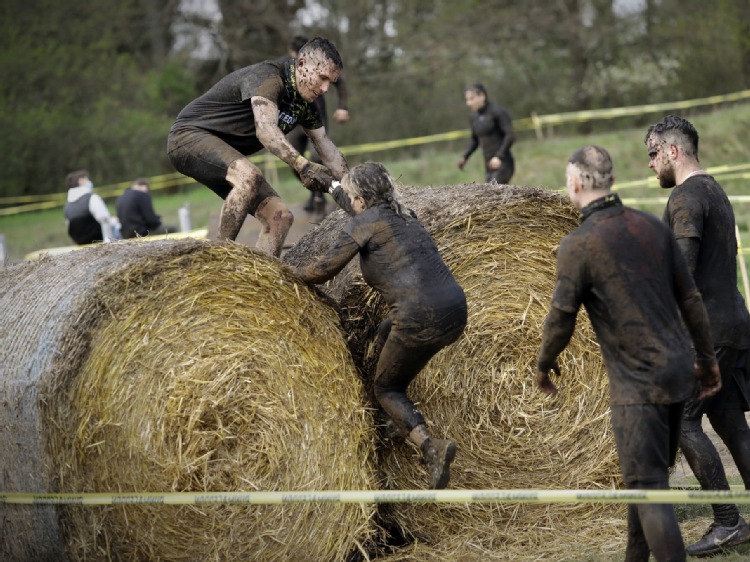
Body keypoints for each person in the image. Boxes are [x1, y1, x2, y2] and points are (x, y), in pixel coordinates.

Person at [536, 145, 721, 562]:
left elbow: (560, 319)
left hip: (639, 386)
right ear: (612, 180)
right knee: (645, 482)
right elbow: (690, 299)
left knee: (650, 488)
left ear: (575, 183)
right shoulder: (651, 226)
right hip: (679, 373)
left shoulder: (579, 244)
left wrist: (543, 365)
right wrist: (706, 361)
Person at [293, 162, 468, 489]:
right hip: (456, 311)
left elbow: (323, 270)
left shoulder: (366, 223)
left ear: (360, 199)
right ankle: (392, 418)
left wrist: (283, 273)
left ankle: (430, 447)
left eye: (351, 196)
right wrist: (332, 186)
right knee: (385, 331)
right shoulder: (405, 215)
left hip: (419, 317)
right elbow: (363, 214)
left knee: (386, 387)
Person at [645, 114, 750, 557]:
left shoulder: (687, 198)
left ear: (672, 151)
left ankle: (728, 522)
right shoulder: (715, 189)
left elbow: (683, 273)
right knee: (729, 422)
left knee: (683, 421)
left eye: (652, 154)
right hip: (734, 323)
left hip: (707, 330)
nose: (649, 165)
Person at [167, 36, 349, 257]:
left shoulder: (304, 105)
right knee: (249, 176)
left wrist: (352, 187)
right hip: (188, 137)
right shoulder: (270, 78)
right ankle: (217, 262)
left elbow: (326, 147)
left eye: (330, 81)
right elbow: (266, 130)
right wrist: (303, 166)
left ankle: (259, 282)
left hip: (224, 152)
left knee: (280, 217)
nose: (326, 88)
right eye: (322, 78)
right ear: (301, 64)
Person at [283, 35, 351, 221]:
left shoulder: (319, 63)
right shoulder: (286, 67)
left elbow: (340, 82)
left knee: (315, 156)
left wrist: (342, 107)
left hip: (315, 119)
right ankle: (314, 191)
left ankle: (322, 194)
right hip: (293, 123)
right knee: (293, 159)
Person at [457, 83, 516, 184]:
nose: (468, 103)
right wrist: (465, 157)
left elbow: (510, 135)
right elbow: (475, 141)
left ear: (482, 96)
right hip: (488, 165)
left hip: (503, 163)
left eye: (471, 99)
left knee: (494, 193)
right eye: (467, 100)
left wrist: (499, 156)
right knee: (488, 194)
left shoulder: (497, 112)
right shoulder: (474, 118)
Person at [64, 169, 120, 245]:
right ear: (81, 181)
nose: (89, 182)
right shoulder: (92, 198)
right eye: (87, 179)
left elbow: (69, 228)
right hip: (100, 241)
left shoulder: (67, 206)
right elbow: (105, 221)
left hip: (81, 244)